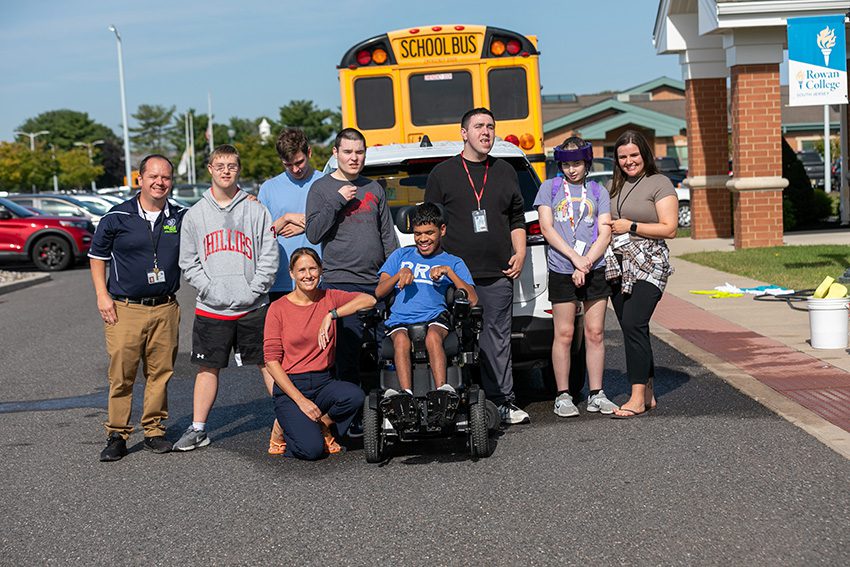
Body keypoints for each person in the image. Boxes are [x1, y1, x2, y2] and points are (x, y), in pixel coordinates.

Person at [424, 107, 530, 425]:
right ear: (464, 132)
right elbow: (430, 225)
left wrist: (521, 252)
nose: (486, 132)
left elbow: (516, 217)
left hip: (498, 272)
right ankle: (451, 404)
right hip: (455, 279)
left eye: (491, 126)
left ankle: (502, 402)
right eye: (479, 126)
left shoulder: (506, 171)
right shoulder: (442, 174)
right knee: (452, 340)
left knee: (497, 339)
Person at [174, 144, 279, 450]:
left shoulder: (255, 210)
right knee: (208, 368)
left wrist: (255, 287)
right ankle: (198, 428)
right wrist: (209, 288)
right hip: (212, 307)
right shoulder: (195, 215)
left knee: (269, 364)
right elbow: (188, 262)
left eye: (231, 166)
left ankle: (289, 420)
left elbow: (270, 254)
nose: (225, 171)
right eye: (219, 166)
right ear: (210, 169)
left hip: (253, 304)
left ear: (238, 169)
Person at [89, 154, 183, 461]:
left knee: (161, 372)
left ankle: (154, 430)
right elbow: (97, 257)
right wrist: (102, 296)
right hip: (125, 308)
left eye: (166, 177)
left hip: (165, 307)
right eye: (153, 176)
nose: (160, 182)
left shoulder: (179, 217)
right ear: (139, 179)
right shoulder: (117, 216)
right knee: (122, 374)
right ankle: (117, 434)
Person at [305, 128, 399, 391]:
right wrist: (336, 201)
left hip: (375, 283)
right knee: (347, 354)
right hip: (340, 284)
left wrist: (391, 279)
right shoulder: (321, 189)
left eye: (359, 152)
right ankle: (351, 416)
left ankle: (387, 409)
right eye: (347, 152)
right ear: (335, 153)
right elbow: (313, 234)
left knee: (386, 351)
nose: (354, 158)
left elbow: (387, 237)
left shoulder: (373, 188)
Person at [263, 248, 373, 460]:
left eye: (313, 268)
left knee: (355, 396)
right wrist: (301, 401)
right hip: (292, 386)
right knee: (312, 450)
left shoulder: (329, 297)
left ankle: (322, 424)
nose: (308, 275)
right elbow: (271, 361)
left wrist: (332, 315)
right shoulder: (277, 309)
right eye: (301, 270)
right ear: (292, 273)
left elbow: (368, 300)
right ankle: (281, 428)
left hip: (324, 382)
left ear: (321, 270)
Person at [534, 137, 617, 418]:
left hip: (595, 267)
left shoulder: (598, 191)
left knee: (595, 333)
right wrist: (574, 259)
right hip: (561, 267)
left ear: (587, 163)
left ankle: (596, 393)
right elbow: (547, 228)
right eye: (567, 164)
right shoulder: (550, 188)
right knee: (565, 333)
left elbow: (605, 231)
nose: (572, 169)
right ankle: (563, 394)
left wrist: (587, 263)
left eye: (577, 163)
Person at [374, 202, 478, 411]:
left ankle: (442, 390)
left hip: (434, 317)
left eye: (429, 233)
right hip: (400, 319)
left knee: (432, 337)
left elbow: (473, 299)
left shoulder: (453, 261)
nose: (423, 239)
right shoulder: (400, 256)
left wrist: (449, 272)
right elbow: (379, 292)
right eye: (418, 233)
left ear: (442, 230)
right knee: (401, 341)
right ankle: (406, 396)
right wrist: (398, 276)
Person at [603, 130, 677, 419]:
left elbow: (670, 228)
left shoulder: (659, 183)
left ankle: (635, 398)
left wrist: (630, 226)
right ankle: (648, 392)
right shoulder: (612, 186)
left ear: (645, 154)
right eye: (623, 157)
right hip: (618, 266)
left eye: (634, 155)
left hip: (650, 262)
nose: (629, 161)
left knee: (634, 323)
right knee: (633, 329)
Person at [258, 128, 323, 455]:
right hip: (282, 284)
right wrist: (284, 221)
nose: (295, 169)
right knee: (284, 358)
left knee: (321, 354)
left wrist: (296, 219)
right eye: (288, 164)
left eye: (299, 162)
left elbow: (326, 224)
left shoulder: (325, 180)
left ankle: (319, 421)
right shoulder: (269, 188)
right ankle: (288, 417)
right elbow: (265, 232)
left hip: (318, 280)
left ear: (309, 152)